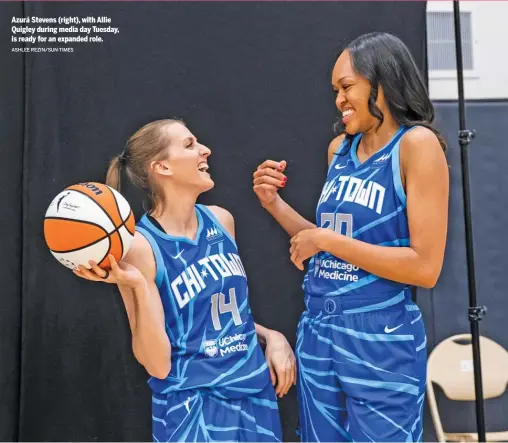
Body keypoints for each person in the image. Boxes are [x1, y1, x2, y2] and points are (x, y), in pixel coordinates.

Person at [252, 32, 449, 442]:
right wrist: (273, 204)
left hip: (381, 334)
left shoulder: (416, 145)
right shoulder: (339, 149)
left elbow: (425, 268)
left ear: (383, 82)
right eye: (335, 91)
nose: (339, 99)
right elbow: (326, 241)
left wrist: (325, 242)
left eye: (347, 87)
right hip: (320, 328)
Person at [74, 119, 296, 442]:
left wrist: (271, 336)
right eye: (190, 145)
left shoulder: (222, 220)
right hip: (193, 406)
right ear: (161, 166)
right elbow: (157, 364)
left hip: (255, 395)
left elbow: (216, 315)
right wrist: (139, 285)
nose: (206, 150)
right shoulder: (139, 246)